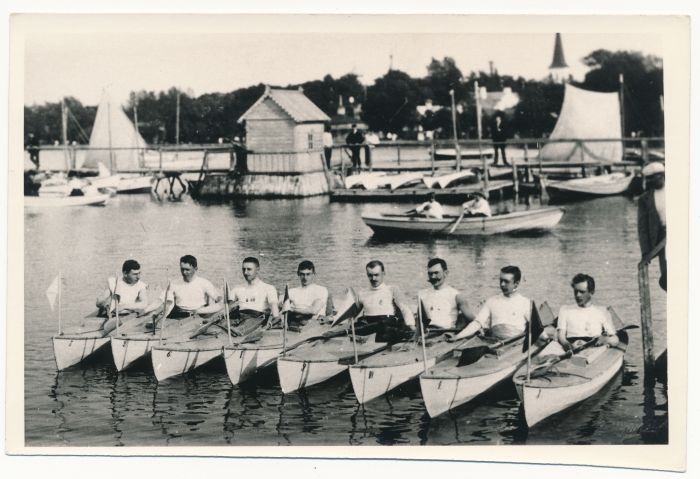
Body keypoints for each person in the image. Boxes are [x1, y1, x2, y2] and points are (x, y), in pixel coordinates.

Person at [450, 266, 533, 341]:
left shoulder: (526, 303)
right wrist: (457, 337)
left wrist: (545, 338)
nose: (502, 284)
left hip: (516, 345)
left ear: (516, 284)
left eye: (506, 281)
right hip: (494, 342)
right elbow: (477, 323)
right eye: (501, 280)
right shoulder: (492, 301)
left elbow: (536, 328)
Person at [554, 273, 619, 354]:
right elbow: (561, 336)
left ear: (591, 292)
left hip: (594, 347)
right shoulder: (565, 310)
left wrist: (603, 339)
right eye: (576, 291)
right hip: (572, 347)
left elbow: (615, 339)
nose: (578, 295)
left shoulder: (602, 311)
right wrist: (566, 345)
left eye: (582, 292)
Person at [356, 260, 416, 344]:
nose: (373, 279)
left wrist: (411, 326)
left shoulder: (392, 289)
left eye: (376, 275)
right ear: (367, 275)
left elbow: (405, 309)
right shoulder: (362, 293)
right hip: (370, 326)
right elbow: (353, 316)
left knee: (387, 330)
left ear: (383, 273)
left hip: (386, 325)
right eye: (370, 275)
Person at [417, 258, 474, 332]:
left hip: (446, 335)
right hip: (426, 335)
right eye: (430, 274)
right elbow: (419, 322)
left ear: (446, 273)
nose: (433, 277)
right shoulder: (422, 294)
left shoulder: (456, 295)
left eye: (436, 273)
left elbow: (473, 320)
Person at [227, 257, 280, 336]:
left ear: (257, 269)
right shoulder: (237, 288)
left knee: (239, 330)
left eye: (249, 269)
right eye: (243, 269)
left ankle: (237, 332)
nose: (245, 272)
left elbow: (275, 312)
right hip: (238, 317)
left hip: (257, 318)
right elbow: (227, 307)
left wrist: (271, 324)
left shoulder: (268, 288)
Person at [162, 255, 222, 319]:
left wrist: (219, 299)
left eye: (187, 270)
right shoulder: (174, 283)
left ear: (196, 269)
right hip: (179, 315)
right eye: (182, 269)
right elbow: (168, 303)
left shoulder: (204, 283)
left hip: (199, 314)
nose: (184, 272)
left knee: (221, 305)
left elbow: (217, 297)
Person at [638, 161, 667, 291]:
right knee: (667, 277)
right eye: (648, 179)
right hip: (662, 240)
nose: (650, 181)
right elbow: (643, 228)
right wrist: (645, 252)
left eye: (653, 178)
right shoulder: (645, 198)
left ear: (662, 175)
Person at [284, 260, 334, 330]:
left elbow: (314, 310)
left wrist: (291, 309)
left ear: (314, 274)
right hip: (295, 326)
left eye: (308, 274)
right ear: (298, 274)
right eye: (302, 274)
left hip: (315, 326)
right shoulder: (291, 291)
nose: (305, 278)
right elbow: (282, 307)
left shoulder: (321, 290)